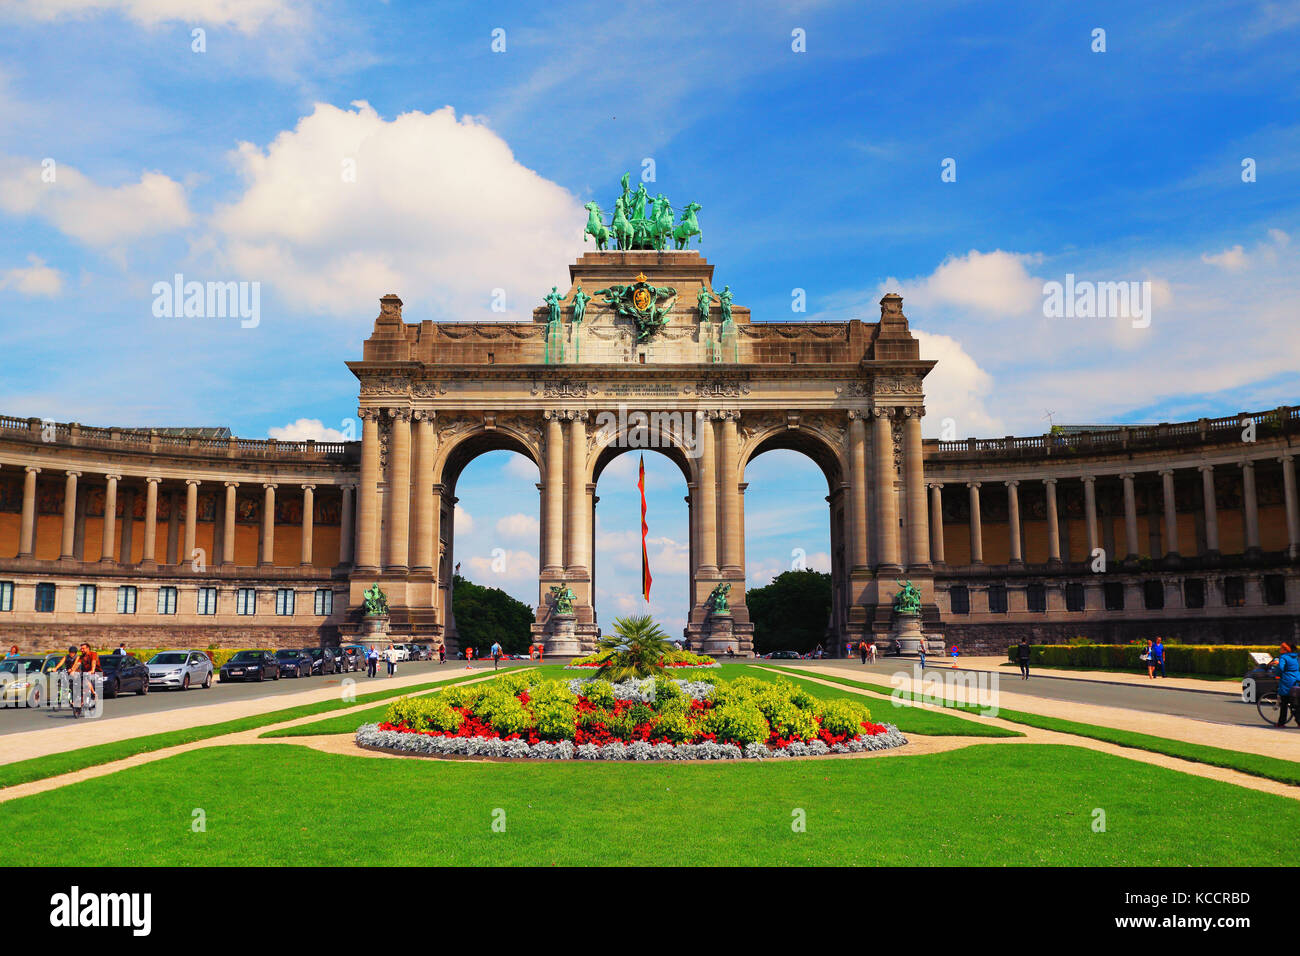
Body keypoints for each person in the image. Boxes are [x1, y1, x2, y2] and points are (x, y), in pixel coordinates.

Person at [1269, 641, 1299, 728]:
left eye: (1281, 648)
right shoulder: (1295, 657)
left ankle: (1281, 723)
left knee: (1284, 703)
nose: (1280, 649)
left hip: (1287, 681)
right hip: (1296, 679)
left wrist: (1276, 671)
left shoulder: (1284, 657)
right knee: (1295, 702)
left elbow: (1280, 669)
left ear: (1285, 649)